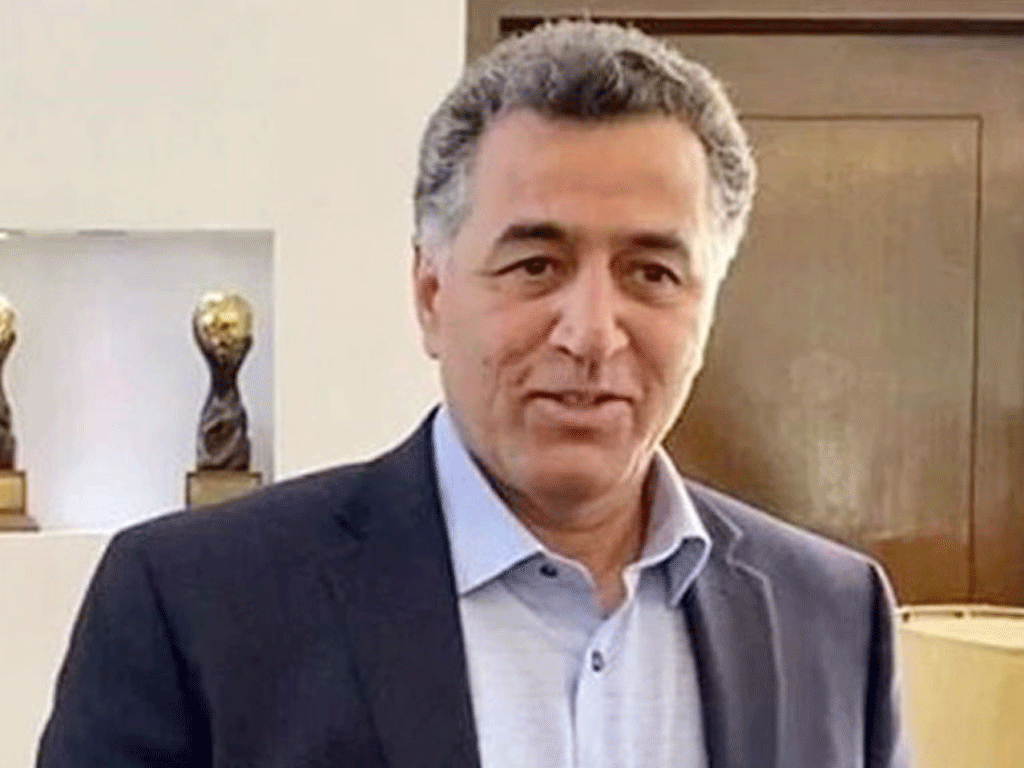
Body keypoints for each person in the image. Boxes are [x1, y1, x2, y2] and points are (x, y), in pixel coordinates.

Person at [37, 20, 909, 768]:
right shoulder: (194, 607)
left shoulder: (833, 618)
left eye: (650, 272)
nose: (591, 333)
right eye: (536, 266)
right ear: (431, 295)